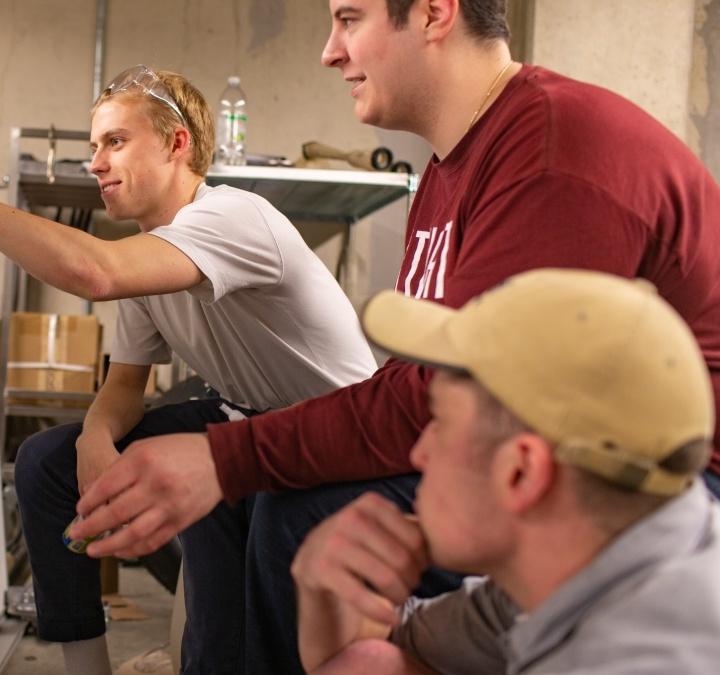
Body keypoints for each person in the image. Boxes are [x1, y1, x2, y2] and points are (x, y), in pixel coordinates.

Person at [69, 0, 720, 671]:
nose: (329, 51)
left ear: (436, 14)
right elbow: (417, 380)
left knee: (294, 512)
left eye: (349, 19)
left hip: (668, 487)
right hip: (558, 452)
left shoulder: (551, 151)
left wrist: (225, 457)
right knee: (258, 503)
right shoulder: (447, 169)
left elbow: (463, 398)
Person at [0, 66, 377, 674]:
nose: (96, 162)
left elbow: (94, 273)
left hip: (337, 435)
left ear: (177, 144)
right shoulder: (151, 254)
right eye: (94, 146)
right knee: (48, 463)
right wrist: (95, 437)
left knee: (224, 653)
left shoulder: (233, 218)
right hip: (241, 420)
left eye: (115, 142)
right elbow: (124, 387)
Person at [294, 267, 720, 674]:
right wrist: (323, 591)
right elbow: (366, 658)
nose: (420, 453)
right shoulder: (584, 569)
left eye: (439, 421)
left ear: (521, 472)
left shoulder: (634, 658)